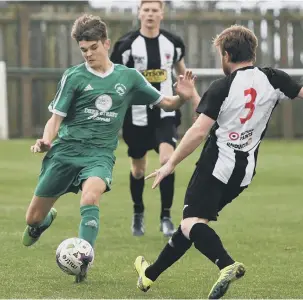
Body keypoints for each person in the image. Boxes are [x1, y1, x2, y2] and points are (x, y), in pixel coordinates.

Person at [132, 25, 303, 299]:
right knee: (194, 224)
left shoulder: (222, 87)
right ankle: (149, 276)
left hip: (216, 166)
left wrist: (170, 164)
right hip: (243, 172)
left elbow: (198, 130)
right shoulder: (273, 78)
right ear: (252, 52)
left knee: (190, 223)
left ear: (227, 54)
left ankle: (226, 264)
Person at [22, 14, 196, 283]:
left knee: (91, 197)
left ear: (106, 43)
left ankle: (82, 262)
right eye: (83, 50)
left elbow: (167, 104)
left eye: (93, 48)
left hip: (99, 155)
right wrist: (45, 140)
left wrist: (183, 97)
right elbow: (55, 119)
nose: (88, 54)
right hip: (66, 152)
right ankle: (41, 224)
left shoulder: (129, 78)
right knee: (32, 218)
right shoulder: (74, 77)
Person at [111, 0, 197, 237]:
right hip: (136, 116)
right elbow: (115, 77)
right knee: (138, 170)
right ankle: (138, 213)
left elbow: (182, 74)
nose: (150, 14)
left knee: (167, 160)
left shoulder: (173, 43)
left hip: (165, 113)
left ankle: (166, 217)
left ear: (162, 13)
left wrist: (195, 99)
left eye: (154, 10)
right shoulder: (126, 46)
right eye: (145, 10)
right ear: (139, 13)